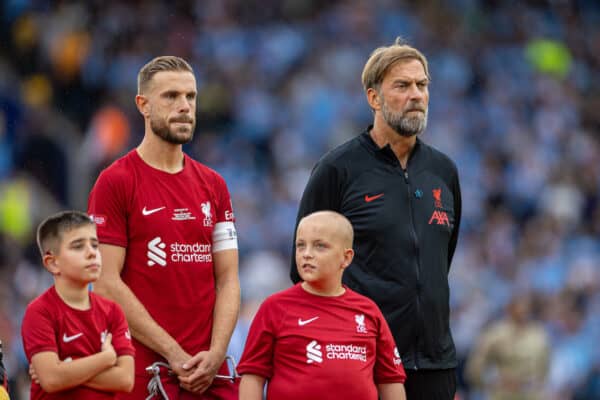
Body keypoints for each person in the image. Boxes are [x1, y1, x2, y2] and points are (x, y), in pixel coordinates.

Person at [290, 37, 462, 400]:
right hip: (361, 361)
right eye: (402, 85)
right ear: (374, 98)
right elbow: (303, 270)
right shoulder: (337, 170)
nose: (416, 94)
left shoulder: (443, 172)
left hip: (434, 363)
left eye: (422, 85)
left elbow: (438, 262)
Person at [87, 56, 240, 399]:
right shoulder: (116, 182)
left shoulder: (214, 185)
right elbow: (105, 283)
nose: (184, 106)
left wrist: (216, 353)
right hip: (146, 377)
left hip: (208, 373)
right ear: (142, 105)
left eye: (191, 96)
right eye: (171, 96)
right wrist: (173, 353)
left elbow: (228, 278)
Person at [239, 211, 407, 400]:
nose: (307, 254)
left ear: (346, 258)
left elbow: (390, 380)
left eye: (320, 246)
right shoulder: (274, 307)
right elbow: (252, 377)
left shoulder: (367, 311)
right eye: (300, 245)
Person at [21, 211, 135, 399]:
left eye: (95, 245)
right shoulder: (39, 312)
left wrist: (66, 370)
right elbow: (51, 380)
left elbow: (125, 379)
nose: (92, 253)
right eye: (78, 246)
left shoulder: (113, 311)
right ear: (52, 263)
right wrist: (105, 359)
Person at [465, 294, 550, 400]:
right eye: (518, 307)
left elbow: (546, 366)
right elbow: (475, 367)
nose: (522, 311)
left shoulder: (538, 334)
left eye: (526, 308)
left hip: (531, 394)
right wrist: (490, 382)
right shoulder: (495, 333)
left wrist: (538, 384)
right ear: (509, 309)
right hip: (504, 394)